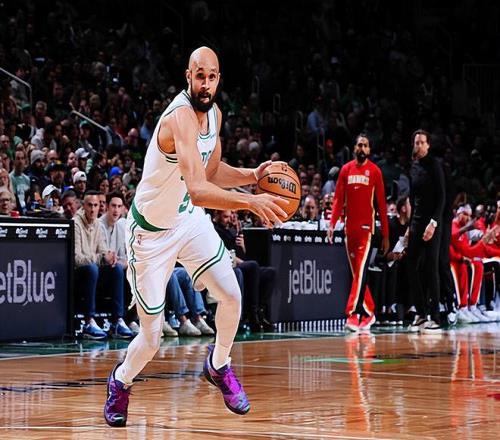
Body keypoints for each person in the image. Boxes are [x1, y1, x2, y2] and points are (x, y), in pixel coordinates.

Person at [104, 46, 287, 427]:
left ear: (219, 79)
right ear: (188, 77)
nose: (205, 84)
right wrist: (251, 202)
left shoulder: (214, 115)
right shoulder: (180, 118)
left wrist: (253, 176)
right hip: (150, 234)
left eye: (212, 77)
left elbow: (212, 170)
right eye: (199, 76)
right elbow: (200, 189)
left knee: (232, 296)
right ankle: (120, 381)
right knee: (151, 338)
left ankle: (218, 365)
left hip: (187, 220)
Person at [327, 134, 389, 333]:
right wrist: (332, 224)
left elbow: (381, 204)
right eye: (359, 145)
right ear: (354, 148)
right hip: (349, 230)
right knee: (358, 275)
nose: (362, 148)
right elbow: (338, 199)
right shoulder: (345, 170)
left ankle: (353, 313)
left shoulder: (375, 171)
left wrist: (386, 234)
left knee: (360, 272)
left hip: (366, 230)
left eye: (365, 145)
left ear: (369, 150)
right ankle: (370, 312)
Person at [74, 191, 134, 340]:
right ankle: (88, 322)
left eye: (95, 205)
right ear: (83, 206)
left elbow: (102, 251)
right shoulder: (76, 224)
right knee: (93, 269)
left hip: (94, 272)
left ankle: (117, 321)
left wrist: (109, 259)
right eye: (90, 205)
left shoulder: (97, 225)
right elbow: (77, 259)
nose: (93, 209)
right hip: (79, 275)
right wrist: (101, 258)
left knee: (117, 269)